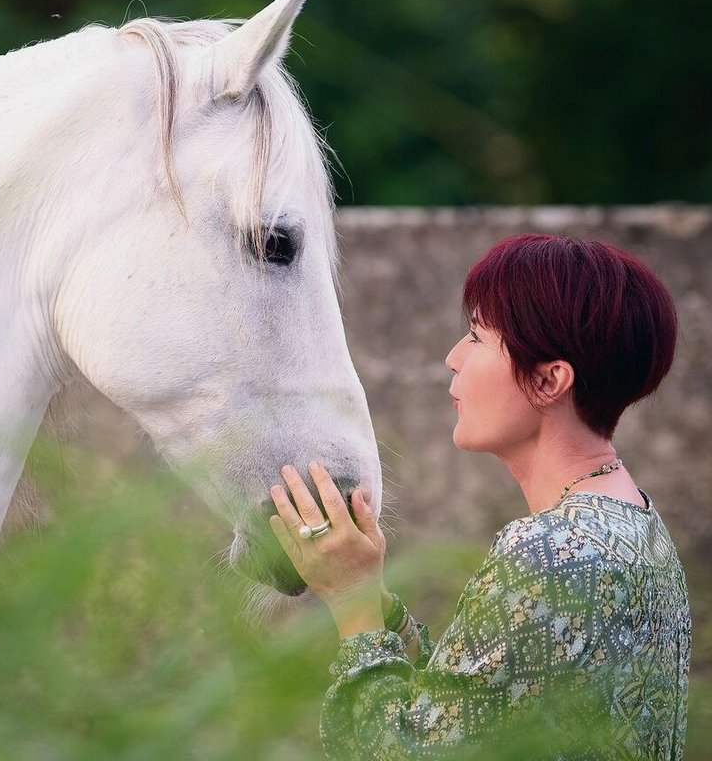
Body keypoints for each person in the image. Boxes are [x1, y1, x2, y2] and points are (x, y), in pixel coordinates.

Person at [268, 233, 690, 759]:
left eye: (476, 336)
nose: (452, 358)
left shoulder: (550, 552)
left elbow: (406, 750)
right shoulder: (640, 525)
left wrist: (351, 603)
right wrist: (378, 602)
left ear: (549, 380)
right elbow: (477, 710)